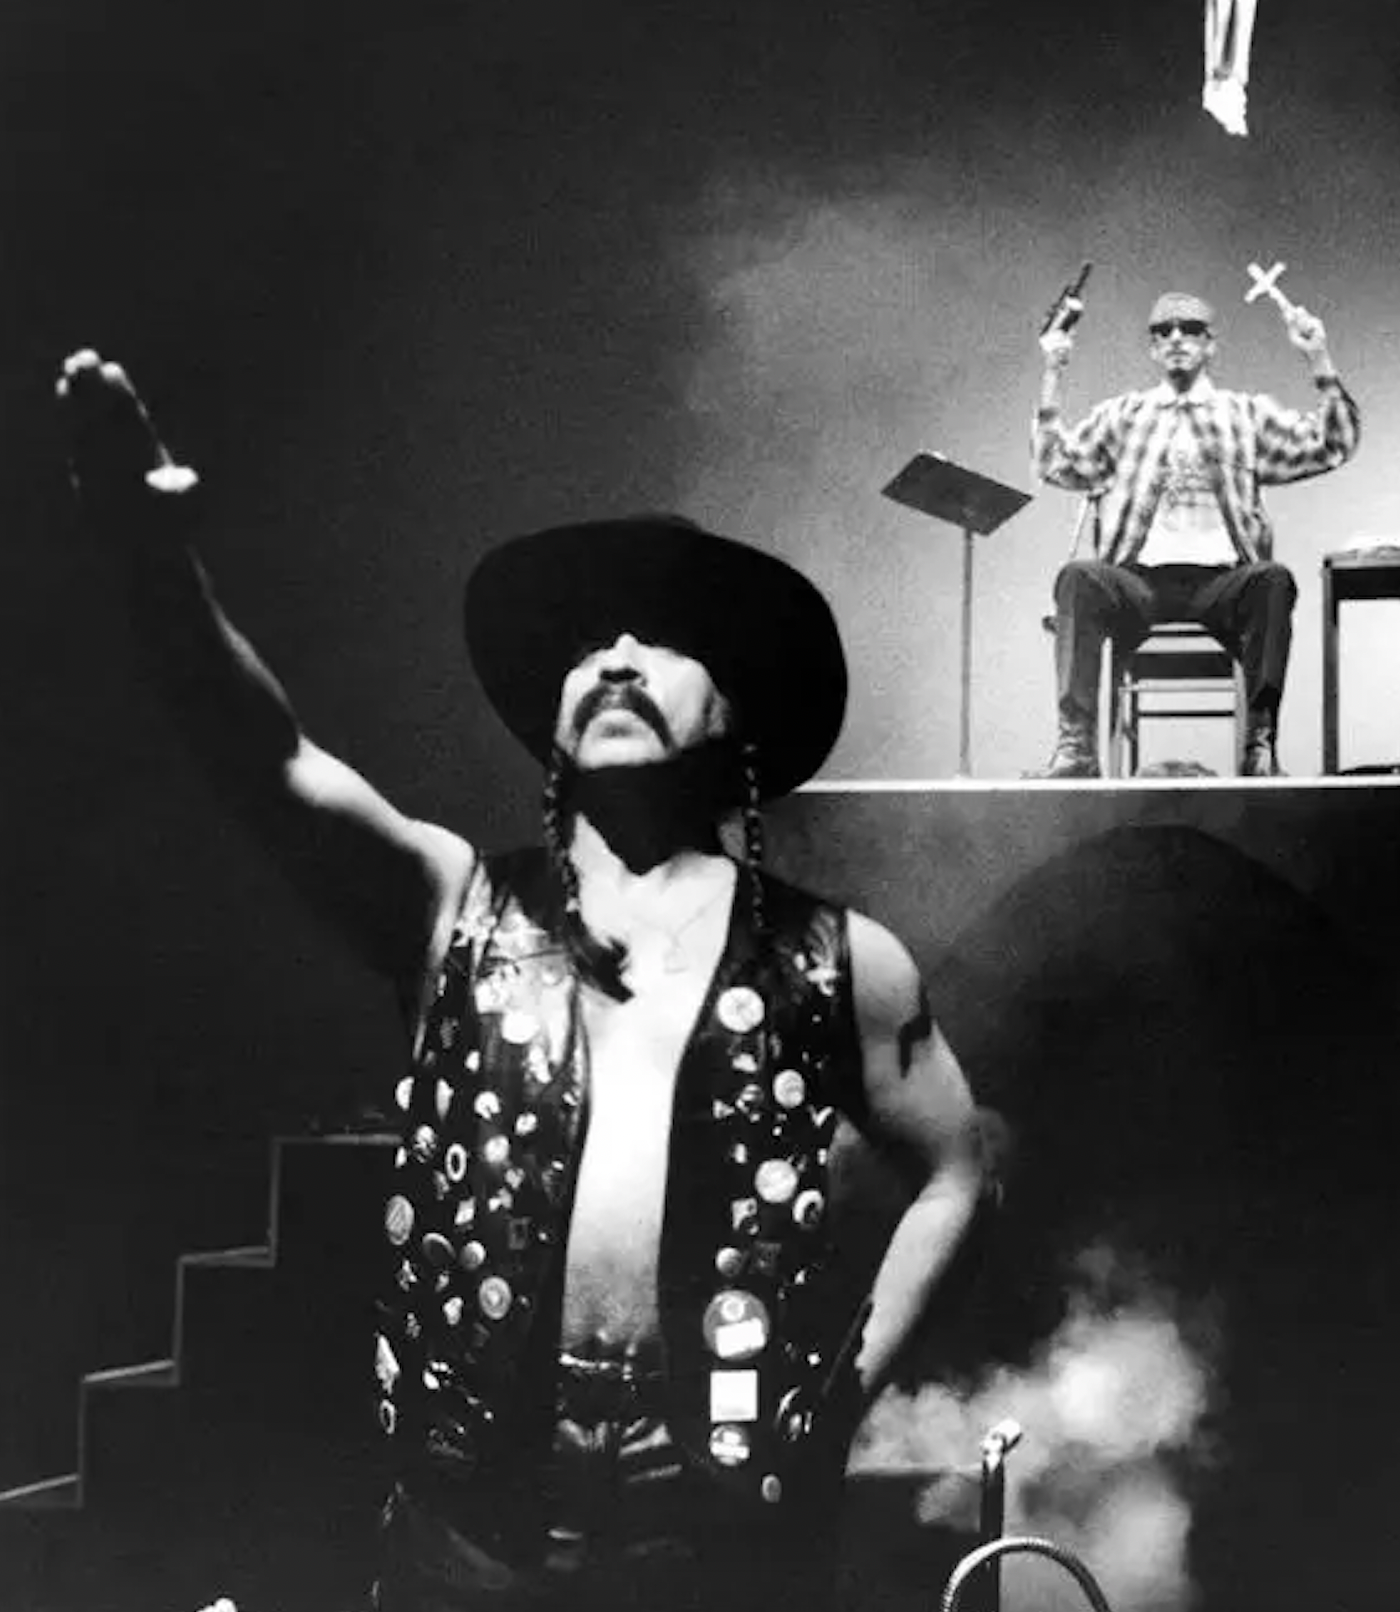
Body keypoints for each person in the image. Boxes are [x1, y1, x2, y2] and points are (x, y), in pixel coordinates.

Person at [56, 350, 988, 1611]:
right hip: (470, 1533)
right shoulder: (450, 903)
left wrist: (839, 1387)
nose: (614, 654)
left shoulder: (841, 959)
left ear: (734, 712)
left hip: (715, 1545)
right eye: (587, 641)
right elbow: (261, 757)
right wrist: (149, 555)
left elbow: (955, 1160)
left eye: (662, 640)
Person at [1031, 288, 1362, 778]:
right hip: (1140, 583)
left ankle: (1260, 744)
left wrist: (1318, 357)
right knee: (1078, 576)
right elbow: (1054, 463)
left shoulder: (1243, 414)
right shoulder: (1126, 416)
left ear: (1211, 344)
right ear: (1152, 349)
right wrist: (1054, 371)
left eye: (1190, 330)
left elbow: (1332, 443)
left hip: (1220, 584)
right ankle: (1075, 746)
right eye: (1163, 332)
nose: (1177, 339)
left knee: (1272, 579)